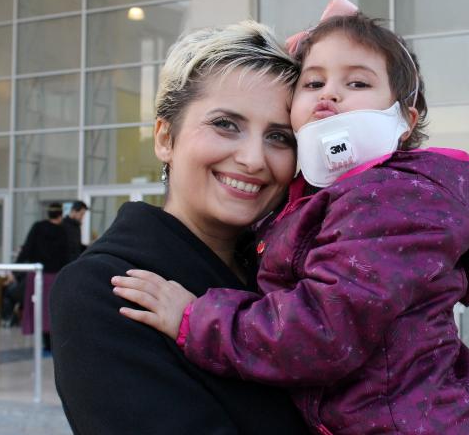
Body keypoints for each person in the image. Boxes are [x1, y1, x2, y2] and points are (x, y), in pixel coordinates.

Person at [113, 7, 469, 434]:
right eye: (314, 82)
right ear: (164, 136)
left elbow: (322, 329)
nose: (328, 94)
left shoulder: (393, 200)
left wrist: (196, 319)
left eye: (357, 83)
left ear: (405, 121)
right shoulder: (328, 201)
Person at [50, 22, 308, 434]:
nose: (254, 159)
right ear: (165, 138)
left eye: (279, 137)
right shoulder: (102, 287)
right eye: (226, 124)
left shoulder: (299, 274)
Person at [17, 202, 68, 351]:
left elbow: (27, 248)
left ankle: (44, 342)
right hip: (55, 276)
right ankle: (50, 344)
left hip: (37, 275)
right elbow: (66, 255)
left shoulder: (38, 227)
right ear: (60, 214)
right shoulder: (63, 231)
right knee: (51, 310)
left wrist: (15, 269)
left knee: (38, 309)